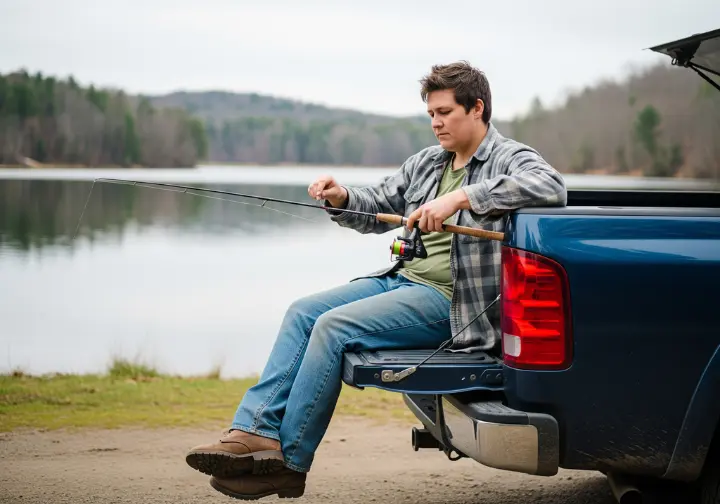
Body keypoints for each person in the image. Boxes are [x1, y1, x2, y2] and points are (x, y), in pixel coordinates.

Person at [185, 61, 567, 500]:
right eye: (431, 115)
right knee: (303, 312)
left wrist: (461, 198)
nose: (436, 123)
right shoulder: (427, 163)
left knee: (334, 328)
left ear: (477, 108)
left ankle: (289, 463)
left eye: (444, 112)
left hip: (452, 304)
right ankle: (253, 432)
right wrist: (340, 197)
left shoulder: (509, 157)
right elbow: (376, 205)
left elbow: (551, 185)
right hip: (399, 280)